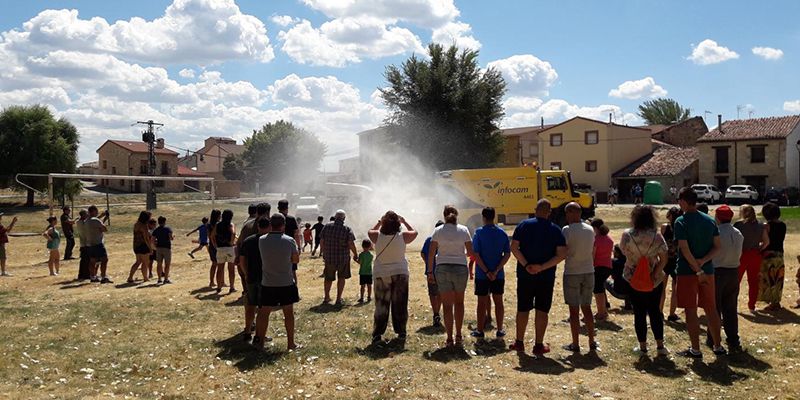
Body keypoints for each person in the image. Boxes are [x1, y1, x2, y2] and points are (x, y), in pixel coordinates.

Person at [509, 199, 566, 356]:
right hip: (546, 276)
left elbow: (514, 247)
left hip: (525, 274)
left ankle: (519, 342)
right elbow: (561, 254)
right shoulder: (555, 230)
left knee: (523, 308)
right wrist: (542, 267)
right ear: (549, 212)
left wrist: (527, 265)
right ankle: (538, 345)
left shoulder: (523, 225)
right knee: (542, 309)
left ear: (535, 210)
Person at [675, 187, 725, 358]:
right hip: (708, 271)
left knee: (690, 310)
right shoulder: (710, 220)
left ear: (683, 201)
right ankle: (718, 345)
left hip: (687, 272)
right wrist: (703, 262)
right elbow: (717, 246)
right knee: (711, 308)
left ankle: (695, 349)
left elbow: (684, 248)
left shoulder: (681, 221)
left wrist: (697, 270)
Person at [620, 205, 669, 356]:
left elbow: (623, 252)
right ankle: (660, 346)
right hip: (653, 280)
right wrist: (655, 272)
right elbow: (664, 258)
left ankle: (642, 347)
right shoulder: (657, 236)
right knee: (655, 311)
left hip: (633, 278)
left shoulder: (627, 235)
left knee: (639, 313)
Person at [368, 211, 418, 343]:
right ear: (397, 223)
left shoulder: (377, 236)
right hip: (400, 272)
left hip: (381, 273)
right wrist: (405, 221)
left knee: (381, 305)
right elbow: (415, 232)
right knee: (400, 304)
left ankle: (378, 334)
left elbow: (370, 231)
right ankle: (401, 332)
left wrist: (380, 221)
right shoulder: (403, 236)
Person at [427, 205, 473, 347]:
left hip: (442, 268)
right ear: (456, 216)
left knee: (447, 306)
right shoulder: (464, 230)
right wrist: (460, 254)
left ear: (444, 215)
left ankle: (449, 338)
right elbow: (471, 252)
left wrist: (429, 272)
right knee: (459, 303)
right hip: (460, 268)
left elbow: (431, 253)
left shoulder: (437, 231)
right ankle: (458, 335)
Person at [253, 213, 300, 351]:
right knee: (288, 313)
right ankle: (290, 344)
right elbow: (296, 260)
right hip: (286, 281)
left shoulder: (261, 240)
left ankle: (260, 343)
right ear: (283, 225)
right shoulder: (289, 240)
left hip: (268, 282)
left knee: (263, 313)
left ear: (270, 224)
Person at [560, 203, 598, 352]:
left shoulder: (567, 230)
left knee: (574, 311)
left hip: (572, 272)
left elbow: (564, 249)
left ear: (571, 213)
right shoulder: (590, 230)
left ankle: (575, 343)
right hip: (589, 271)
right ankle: (591, 341)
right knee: (587, 308)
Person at [470, 207, 510, 339]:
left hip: (482, 274)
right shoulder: (502, 233)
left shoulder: (479, 233)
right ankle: (499, 329)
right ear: (494, 216)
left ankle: (480, 330)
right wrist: (496, 270)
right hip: (498, 274)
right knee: (498, 302)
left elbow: (476, 254)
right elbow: (507, 254)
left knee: (481, 302)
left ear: (483, 217)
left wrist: (486, 271)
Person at [711, 205, 743, 352]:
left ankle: (713, 337)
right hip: (733, 271)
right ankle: (733, 338)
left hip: (718, 271)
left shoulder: (716, 232)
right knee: (730, 307)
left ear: (718, 217)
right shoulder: (737, 233)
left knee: (714, 307)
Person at [240, 217, 270, 343]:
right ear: (269, 227)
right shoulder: (269, 241)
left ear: (258, 226)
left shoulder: (248, 241)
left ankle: (247, 331)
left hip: (251, 277)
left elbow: (242, 260)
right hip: (265, 278)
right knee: (263, 309)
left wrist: (246, 273)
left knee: (250, 306)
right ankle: (260, 334)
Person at [734, 204, 770, 312]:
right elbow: (766, 242)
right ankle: (751, 305)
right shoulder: (760, 225)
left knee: (736, 281)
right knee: (754, 282)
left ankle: (733, 304)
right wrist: (759, 248)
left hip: (741, 254)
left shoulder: (739, 224)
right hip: (755, 254)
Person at [319, 210, 358, 305]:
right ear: (344, 219)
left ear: (335, 217)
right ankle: (338, 299)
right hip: (343, 258)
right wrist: (355, 254)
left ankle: (327, 297)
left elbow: (322, 240)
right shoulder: (347, 229)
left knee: (328, 278)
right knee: (341, 278)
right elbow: (351, 243)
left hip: (329, 258)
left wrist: (323, 252)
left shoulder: (327, 227)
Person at [759, 202, 786, 311]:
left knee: (768, 278)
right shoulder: (783, 225)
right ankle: (776, 301)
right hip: (779, 253)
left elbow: (765, 241)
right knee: (778, 278)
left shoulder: (767, 226)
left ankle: (772, 302)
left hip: (768, 254)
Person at [661, 207, 683, 321]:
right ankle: (672, 313)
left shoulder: (665, 227)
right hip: (676, 260)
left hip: (665, 260)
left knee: (662, 288)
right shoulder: (682, 227)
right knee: (674, 289)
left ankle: (659, 311)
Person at [421, 220, 444, 327]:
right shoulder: (446, 241)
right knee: (439, 293)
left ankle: (436, 313)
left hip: (431, 270)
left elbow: (423, 253)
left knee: (432, 293)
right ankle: (437, 312)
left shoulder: (429, 240)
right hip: (442, 271)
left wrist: (427, 263)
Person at [591, 219, 613, 321]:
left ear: (595, 228)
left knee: (598, 291)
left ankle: (601, 312)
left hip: (598, 267)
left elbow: (593, 255)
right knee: (601, 288)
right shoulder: (609, 239)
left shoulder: (596, 239)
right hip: (607, 266)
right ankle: (603, 310)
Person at [213, 209, 237, 294]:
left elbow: (213, 235)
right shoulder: (231, 224)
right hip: (229, 249)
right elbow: (233, 234)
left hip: (220, 248)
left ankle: (219, 287)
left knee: (220, 268)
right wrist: (231, 242)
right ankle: (232, 287)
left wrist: (215, 245)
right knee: (231, 269)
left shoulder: (217, 225)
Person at [85, 205, 112, 283]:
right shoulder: (96, 220)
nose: (97, 212)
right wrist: (103, 220)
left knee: (92, 261)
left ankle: (93, 277)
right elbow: (104, 229)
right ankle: (103, 277)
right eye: (96, 211)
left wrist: (102, 217)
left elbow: (96, 225)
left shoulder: (87, 220)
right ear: (93, 211)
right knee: (104, 260)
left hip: (90, 243)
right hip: (98, 243)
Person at [128, 211, 153, 283]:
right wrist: (150, 248)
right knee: (145, 263)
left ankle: (130, 277)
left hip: (136, 245)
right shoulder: (144, 226)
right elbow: (146, 238)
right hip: (143, 246)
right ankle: (145, 278)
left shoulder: (136, 224)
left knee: (138, 262)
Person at [153, 216, 174, 284]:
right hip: (167, 248)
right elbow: (170, 238)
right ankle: (166, 279)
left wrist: (155, 246)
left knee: (159, 264)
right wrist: (172, 238)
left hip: (159, 248)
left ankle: (159, 279)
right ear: (164, 222)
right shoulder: (168, 229)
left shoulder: (156, 230)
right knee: (167, 264)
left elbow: (152, 239)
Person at [75, 210, 92, 280]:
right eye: (86, 213)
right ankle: (86, 275)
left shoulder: (78, 222)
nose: (88, 214)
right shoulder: (83, 223)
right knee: (87, 260)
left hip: (82, 244)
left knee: (83, 261)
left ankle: (81, 275)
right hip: (86, 244)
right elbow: (90, 222)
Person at [207, 209, 221, 288]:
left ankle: (220, 281)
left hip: (214, 246)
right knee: (216, 264)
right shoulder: (211, 225)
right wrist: (215, 246)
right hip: (214, 246)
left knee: (218, 265)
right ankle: (212, 281)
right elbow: (210, 236)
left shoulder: (213, 224)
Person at [357, 239, 374, 303]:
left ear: (362, 246)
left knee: (362, 286)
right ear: (370, 246)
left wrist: (355, 260)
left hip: (362, 272)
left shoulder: (361, 255)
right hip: (369, 272)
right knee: (369, 285)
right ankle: (369, 297)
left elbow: (360, 262)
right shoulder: (371, 255)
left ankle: (361, 297)